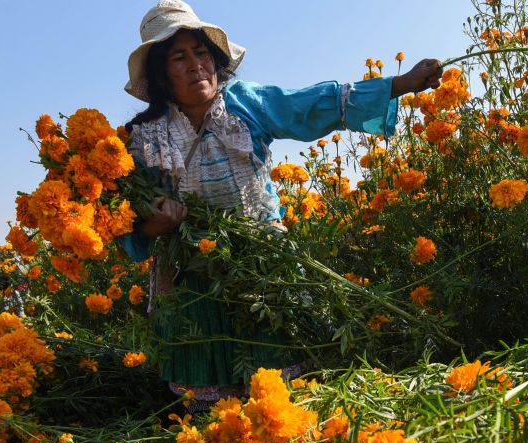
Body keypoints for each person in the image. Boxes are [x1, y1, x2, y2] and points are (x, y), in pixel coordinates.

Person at [119, 0, 442, 406]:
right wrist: (157, 224)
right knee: (208, 400)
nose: (195, 64)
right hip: (191, 279)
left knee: (283, 384)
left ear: (216, 60)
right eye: (179, 57)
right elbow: (126, 220)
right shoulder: (143, 139)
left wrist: (399, 84)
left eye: (201, 53)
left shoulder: (246, 105)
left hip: (262, 263)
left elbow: (312, 103)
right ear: (161, 74)